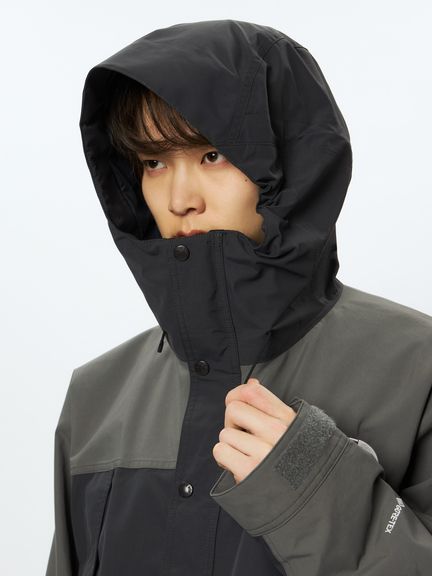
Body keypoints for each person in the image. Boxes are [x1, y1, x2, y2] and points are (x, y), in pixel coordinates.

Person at [45, 19, 432, 576]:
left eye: (212, 155)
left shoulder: (417, 369)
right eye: (153, 163)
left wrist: (315, 489)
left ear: (291, 165)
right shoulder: (96, 397)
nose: (179, 198)